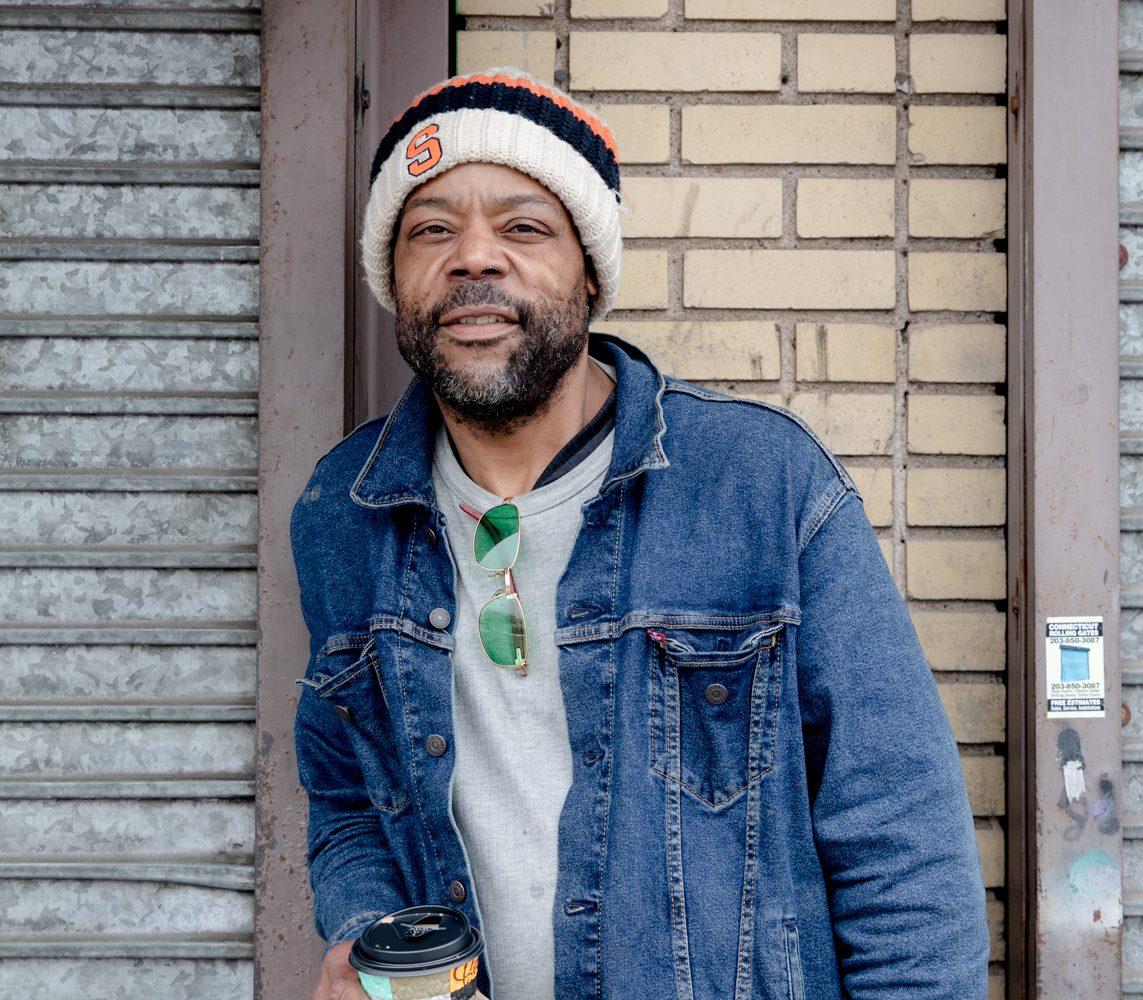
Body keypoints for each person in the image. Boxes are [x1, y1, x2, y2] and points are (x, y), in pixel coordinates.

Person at [293, 68, 989, 1000]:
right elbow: (346, 799)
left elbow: (900, 842)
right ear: (397, 279)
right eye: (431, 230)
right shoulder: (343, 511)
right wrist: (367, 939)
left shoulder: (762, 486)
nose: (473, 259)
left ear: (590, 272)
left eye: (523, 226)